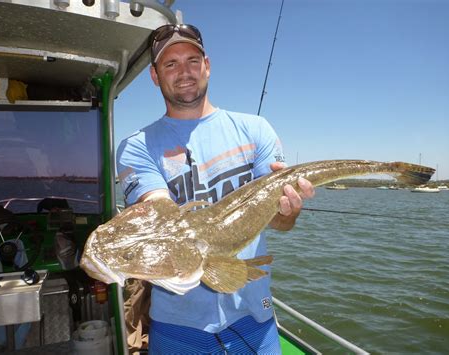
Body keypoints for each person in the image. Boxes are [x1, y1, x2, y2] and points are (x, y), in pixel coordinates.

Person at [117, 24, 315, 354]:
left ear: (206, 65)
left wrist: (287, 211)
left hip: (255, 320)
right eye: (171, 64)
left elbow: (280, 223)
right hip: (177, 328)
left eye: (192, 61)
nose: (184, 72)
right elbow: (160, 216)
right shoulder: (137, 147)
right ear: (154, 75)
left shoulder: (256, 130)